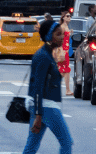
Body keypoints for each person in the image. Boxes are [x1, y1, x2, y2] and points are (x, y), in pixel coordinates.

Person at [21, 18, 72, 154]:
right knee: (66, 142)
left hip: (41, 107)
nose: (62, 37)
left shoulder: (47, 54)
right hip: (46, 106)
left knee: (32, 146)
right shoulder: (43, 56)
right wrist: (38, 115)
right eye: (58, 34)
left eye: (62, 33)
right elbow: (37, 86)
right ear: (49, 36)